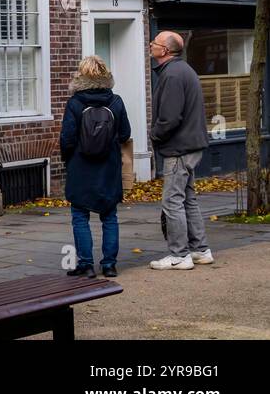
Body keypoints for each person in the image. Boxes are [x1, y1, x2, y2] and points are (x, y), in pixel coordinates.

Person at [148, 30, 215, 270]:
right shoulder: (184, 70)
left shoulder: (173, 74)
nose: (150, 44)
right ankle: (200, 250)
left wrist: (154, 134)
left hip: (179, 147)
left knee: (172, 200)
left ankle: (179, 254)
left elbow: (169, 117)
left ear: (164, 50)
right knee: (188, 199)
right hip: (191, 143)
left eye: (154, 42)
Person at [60, 55, 131, 277]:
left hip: (81, 166)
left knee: (80, 215)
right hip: (108, 167)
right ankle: (109, 264)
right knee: (109, 216)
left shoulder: (74, 103)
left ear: (81, 76)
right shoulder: (116, 101)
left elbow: (67, 139)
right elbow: (125, 134)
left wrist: (68, 160)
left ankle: (86, 264)